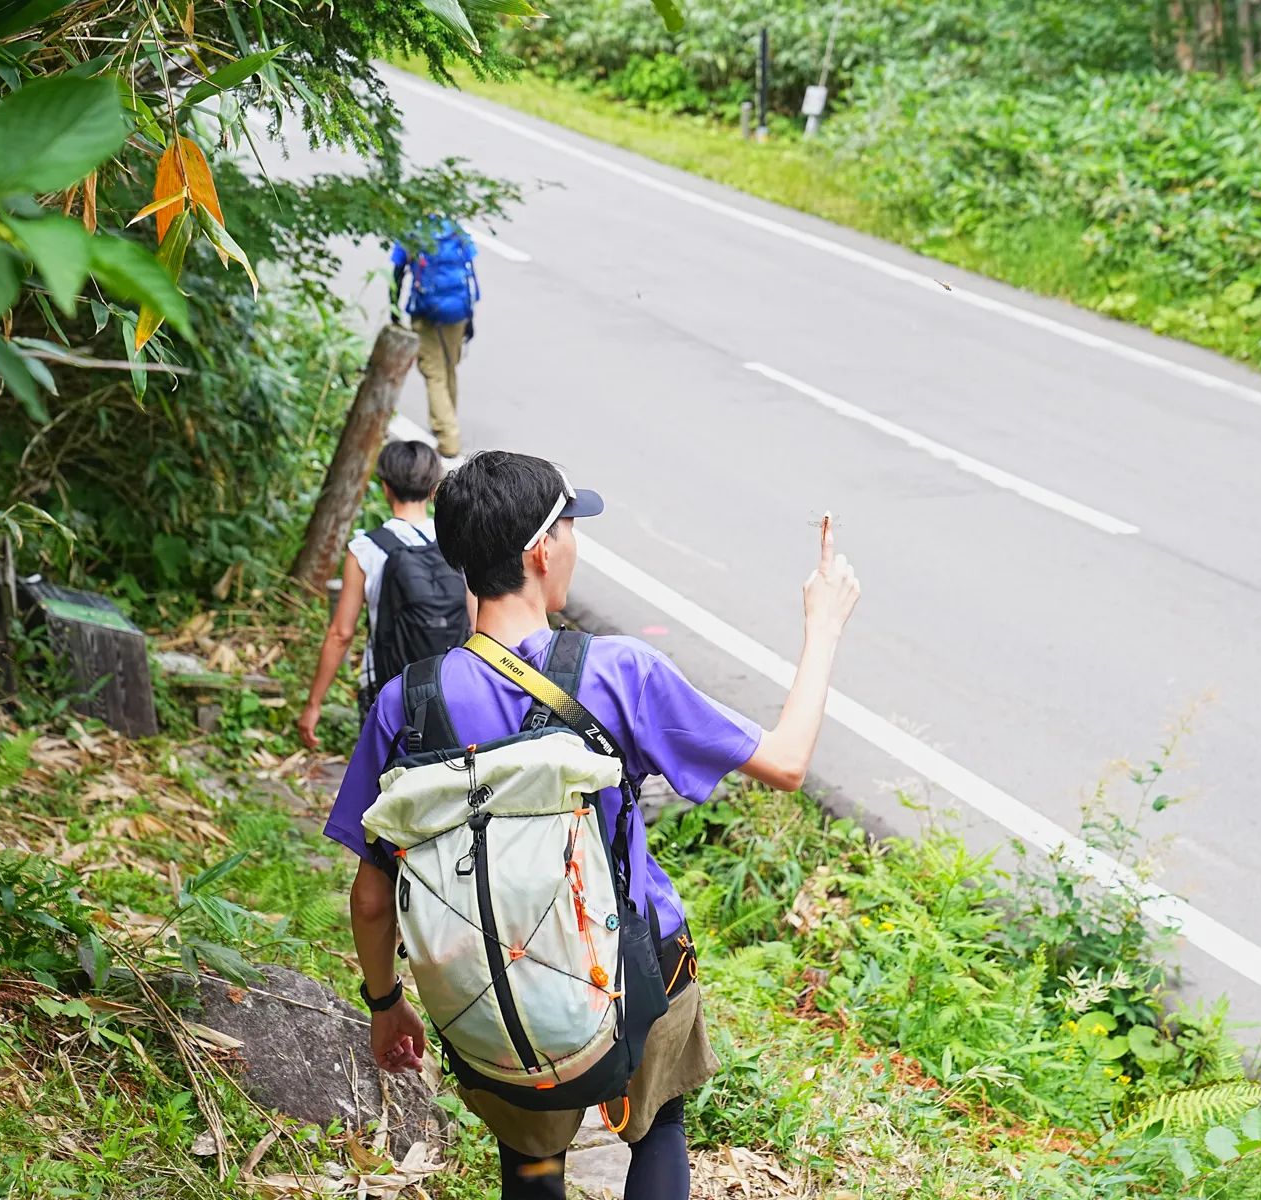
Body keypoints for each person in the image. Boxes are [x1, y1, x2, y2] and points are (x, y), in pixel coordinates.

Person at [323, 451, 861, 1199]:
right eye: (570, 527)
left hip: (489, 982)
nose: (576, 543)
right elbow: (789, 761)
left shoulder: (404, 703)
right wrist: (824, 625)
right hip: (636, 965)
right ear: (541, 550)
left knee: (533, 1162)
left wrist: (387, 1006)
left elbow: (372, 896)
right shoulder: (617, 672)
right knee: (659, 1126)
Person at [297, 441, 475, 748]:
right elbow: (476, 624)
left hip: (388, 686)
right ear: (434, 489)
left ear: (385, 487)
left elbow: (341, 634)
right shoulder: (457, 540)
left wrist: (313, 704)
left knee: (385, 781)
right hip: (450, 683)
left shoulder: (365, 549)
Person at [391, 217, 479, 461]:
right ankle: (447, 418)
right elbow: (469, 271)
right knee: (449, 367)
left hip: (427, 312)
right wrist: (469, 317)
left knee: (434, 372)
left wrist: (394, 310)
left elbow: (397, 272)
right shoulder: (455, 229)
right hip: (458, 311)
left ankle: (448, 436)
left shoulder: (412, 229)